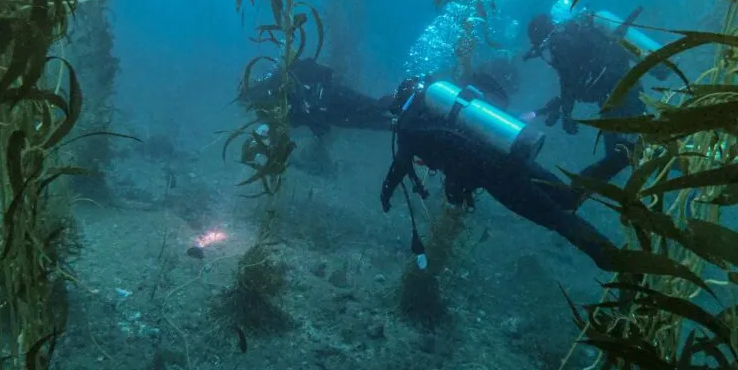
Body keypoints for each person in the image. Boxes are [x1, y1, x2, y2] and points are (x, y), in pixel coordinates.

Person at [380, 76, 618, 272]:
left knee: (557, 218)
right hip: (509, 151)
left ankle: (618, 262)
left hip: (495, 175)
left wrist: (386, 193)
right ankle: (622, 155)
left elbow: (400, 166)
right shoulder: (441, 105)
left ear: (397, 108)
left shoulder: (408, 127)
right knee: (569, 196)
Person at [521, 0, 670, 184]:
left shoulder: (559, 43)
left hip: (619, 89)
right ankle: (586, 185)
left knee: (627, 145)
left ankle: (583, 187)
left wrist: (567, 114)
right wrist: (562, 108)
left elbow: (568, 80)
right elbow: (573, 80)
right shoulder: (568, 38)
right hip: (615, 89)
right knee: (623, 147)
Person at [238, 57, 395, 136]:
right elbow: (297, 119)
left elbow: (300, 75)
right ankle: (400, 120)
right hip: (326, 109)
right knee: (368, 114)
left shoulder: (275, 82)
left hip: (328, 99)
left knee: (368, 113)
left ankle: (402, 108)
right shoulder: (270, 105)